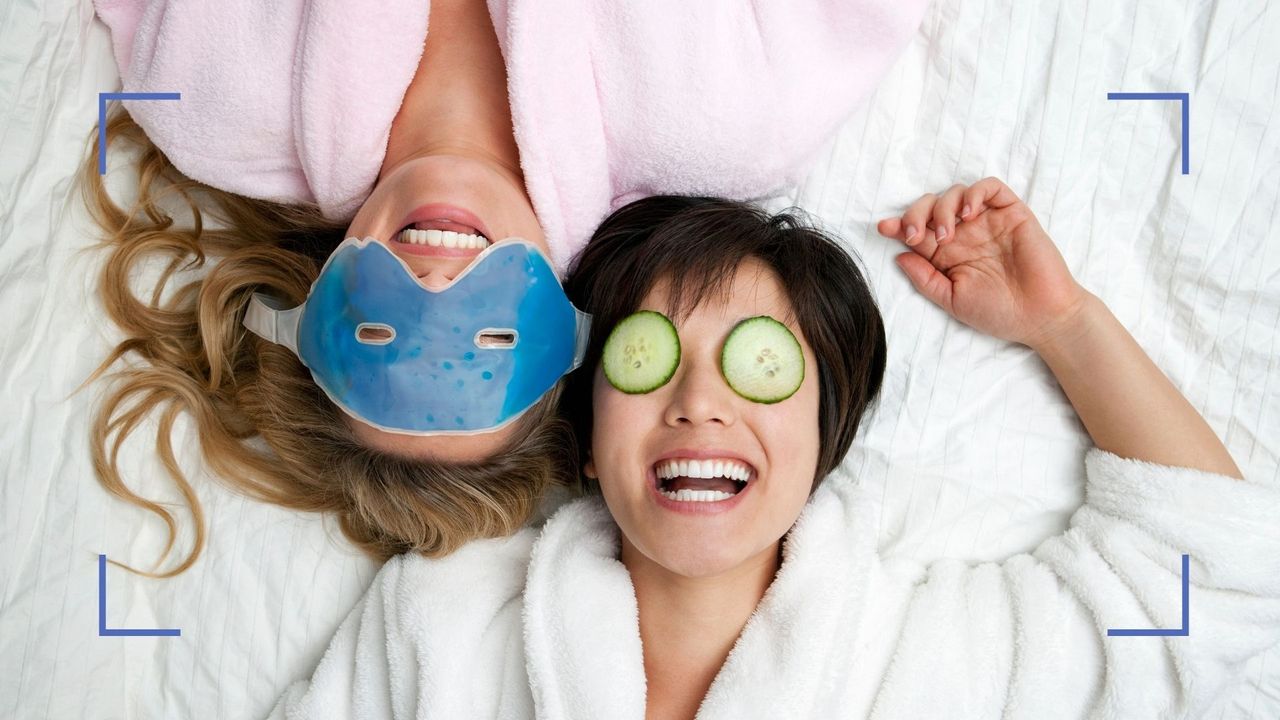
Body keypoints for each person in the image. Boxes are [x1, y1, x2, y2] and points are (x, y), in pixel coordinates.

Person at [267, 182, 1279, 719]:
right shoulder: (442, 623)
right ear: (583, 443)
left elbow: (1210, 579)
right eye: (645, 358)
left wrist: (1062, 324)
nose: (698, 401)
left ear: (822, 436)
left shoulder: (933, 663)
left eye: (757, 365)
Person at [84, 0, 930, 574]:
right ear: (570, 336)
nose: (439, 281)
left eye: (385, 329)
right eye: (490, 339)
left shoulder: (211, 100)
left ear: (313, 311)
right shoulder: (731, 120)